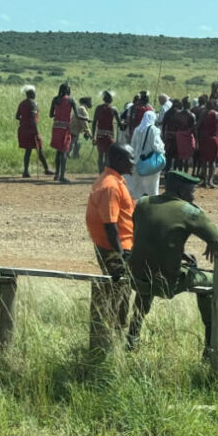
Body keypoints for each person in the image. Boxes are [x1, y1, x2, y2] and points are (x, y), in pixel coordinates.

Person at [127, 169, 218, 357]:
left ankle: (132, 338)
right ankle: (210, 343)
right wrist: (211, 244)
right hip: (167, 283)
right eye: (192, 192)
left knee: (147, 272)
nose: (193, 197)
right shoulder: (188, 211)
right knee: (213, 281)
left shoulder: (143, 203)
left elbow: (149, 236)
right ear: (181, 191)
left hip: (137, 277)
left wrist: (176, 251)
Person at [85, 143, 136, 337]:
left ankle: (112, 333)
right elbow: (110, 225)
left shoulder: (112, 181)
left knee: (119, 292)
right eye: (130, 158)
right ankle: (112, 337)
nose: (133, 162)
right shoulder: (110, 186)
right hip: (115, 249)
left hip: (117, 246)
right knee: (118, 293)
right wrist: (121, 257)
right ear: (118, 160)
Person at [127, 109, 165, 200]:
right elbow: (157, 146)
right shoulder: (154, 130)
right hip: (150, 160)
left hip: (138, 159)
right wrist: (163, 150)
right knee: (152, 184)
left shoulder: (137, 129)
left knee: (138, 184)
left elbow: (133, 145)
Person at [15, 84, 52, 177]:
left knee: (28, 151)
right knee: (39, 150)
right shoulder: (33, 104)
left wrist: (24, 121)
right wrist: (36, 132)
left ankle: (26, 171)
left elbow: (17, 116)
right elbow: (33, 120)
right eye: (34, 93)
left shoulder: (22, 103)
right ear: (31, 94)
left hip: (23, 130)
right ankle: (46, 169)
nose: (35, 94)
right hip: (32, 130)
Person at [49, 82, 78, 183]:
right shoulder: (71, 100)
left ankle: (56, 174)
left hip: (56, 127)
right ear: (67, 90)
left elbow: (50, 115)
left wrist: (58, 114)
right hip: (65, 128)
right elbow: (77, 115)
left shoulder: (55, 99)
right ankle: (62, 176)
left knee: (58, 151)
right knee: (64, 151)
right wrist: (86, 119)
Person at [197, 99, 218, 188]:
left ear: (206, 106)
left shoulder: (204, 114)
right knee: (212, 161)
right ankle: (211, 181)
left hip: (204, 139)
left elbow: (197, 126)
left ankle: (205, 181)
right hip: (214, 139)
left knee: (204, 161)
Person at [91, 90, 118, 172]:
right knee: (107, 157)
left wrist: (93, 136)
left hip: (100, 136)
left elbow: (94, 122)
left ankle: (100, 173)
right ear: (111, 100)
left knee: (100, 156)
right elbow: (120, 123)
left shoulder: (98, 108)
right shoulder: (113, 109)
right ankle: (105, 174)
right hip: (109, 137)